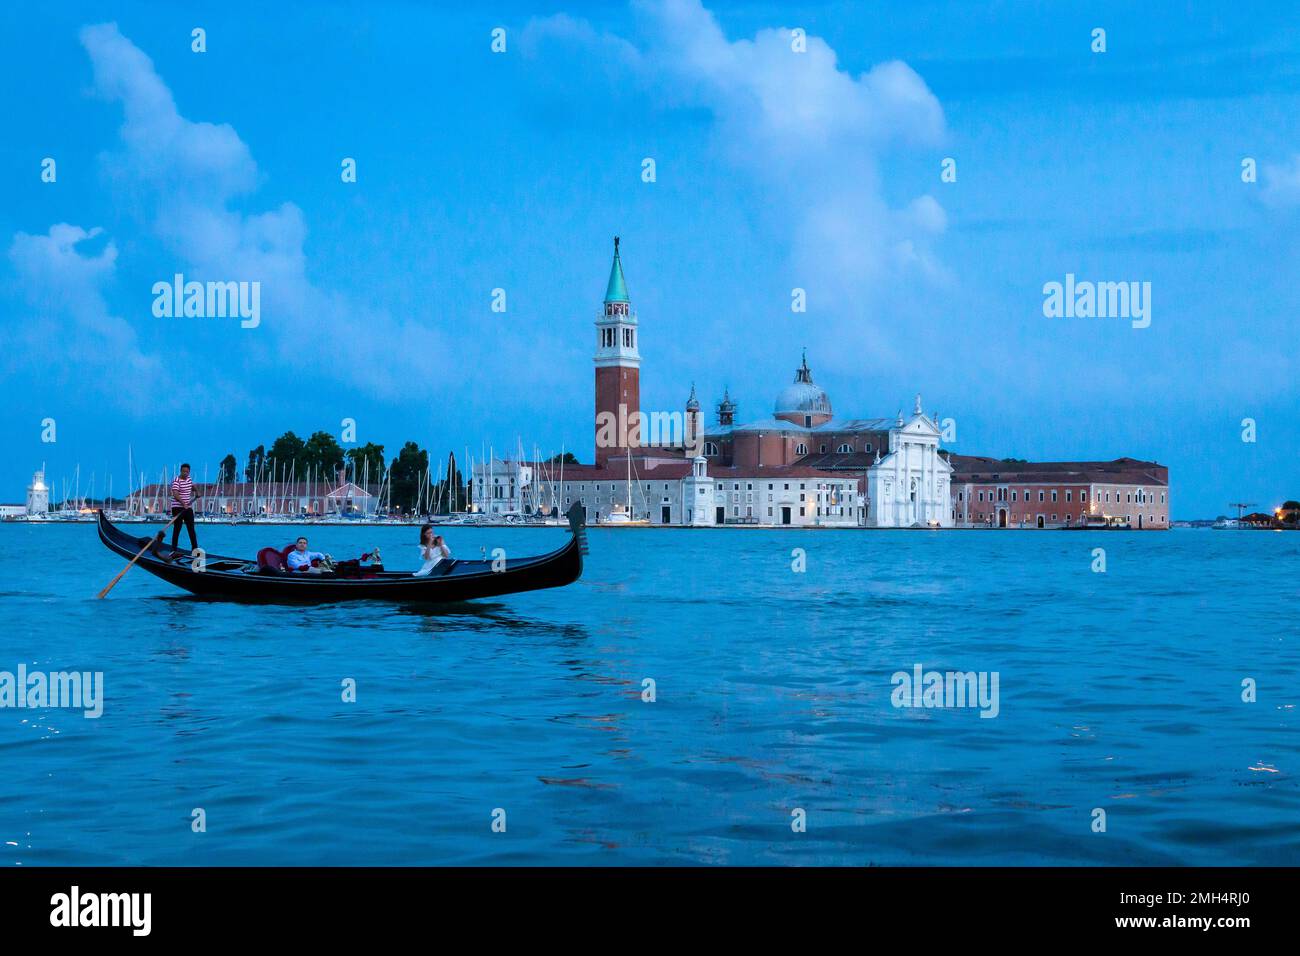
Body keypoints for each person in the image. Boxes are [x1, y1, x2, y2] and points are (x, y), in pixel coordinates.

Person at [169, 463, 198, 552]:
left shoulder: (189, 479)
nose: (185, 473)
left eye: (187, 472)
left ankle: (195, 549)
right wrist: (183, 503)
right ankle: (174, 549)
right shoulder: (176, 480)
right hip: (177, 507)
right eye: (183, 471)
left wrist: (197, 491)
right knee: (177, 528)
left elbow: (191, 486)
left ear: (189, 472)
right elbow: (175, 494)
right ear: (181, 471)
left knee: (191, 528)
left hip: (187, 507)